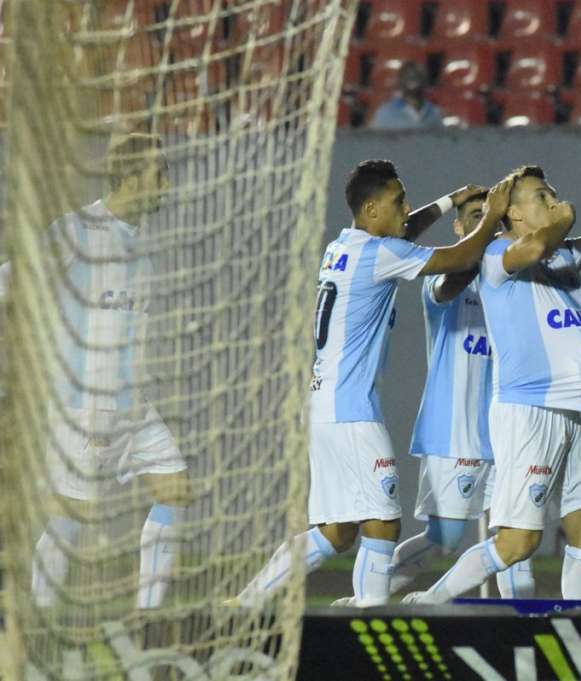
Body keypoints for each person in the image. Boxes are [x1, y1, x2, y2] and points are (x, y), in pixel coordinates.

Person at [403, 116, 581, 604]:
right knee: (517, 543)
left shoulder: (559, 257)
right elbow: (537, 241)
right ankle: (426, 604)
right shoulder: (496, 254)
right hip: (529, 410)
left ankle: (579, 619)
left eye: (554, 194)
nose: (555, 201)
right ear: (512, 215)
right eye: (543, 196)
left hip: (565, 409)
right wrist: (567, 213)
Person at [232, 161, 513, 607]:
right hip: (352, 411)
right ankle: (370, 620)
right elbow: (459, 258)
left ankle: (242, 606)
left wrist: (447, 202)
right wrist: (493, 216)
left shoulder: (343, 247)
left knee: (337, 531)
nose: (406, 208)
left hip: (323, 405)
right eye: (398, 200)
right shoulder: (381, 254)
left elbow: (400, 234)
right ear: (370, 207)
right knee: (382, 524)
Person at [0, 132, 193, 611]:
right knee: (73, 517)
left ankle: (147, 616)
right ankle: (38, 616)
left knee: (175, 486)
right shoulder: (78, 230)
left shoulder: (141, 244)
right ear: (129, 177)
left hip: (131, 404)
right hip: (83, 402)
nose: (167, 183)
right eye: (158, 173)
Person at [388, 191, 534, 600]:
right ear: (458, 226)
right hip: (457, 433)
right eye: (474, 217)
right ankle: (369, 596)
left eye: (493, 219)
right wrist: (485, 236)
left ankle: (518, 629)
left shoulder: (513, 284)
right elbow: (456, 276)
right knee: (443, 539)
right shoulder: (441, 281)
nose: (484, 225)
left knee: (517, 541)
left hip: (509, 430)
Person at [369, 62, 444, 131]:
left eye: (417, 75)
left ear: (425, 81)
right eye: (408, 75)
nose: (412, 77)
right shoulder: (385, 113)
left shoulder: (434, 113)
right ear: (399, 82)